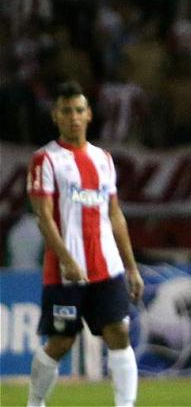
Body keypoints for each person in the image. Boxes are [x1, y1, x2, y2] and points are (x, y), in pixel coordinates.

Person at [26, 82, 143, 407]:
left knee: (119, 334)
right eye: (66, 111)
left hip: (107, 267)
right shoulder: (45, 160)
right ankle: (34, 403)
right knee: (61, 341)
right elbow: (43, 217)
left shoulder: (103, 159)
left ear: (89, 114)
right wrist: (66, 259)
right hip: (66, 272)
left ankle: (125, 405)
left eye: (79, 110)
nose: (73, 117)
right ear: (56, 116)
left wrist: (131, 267)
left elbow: (115, 214)